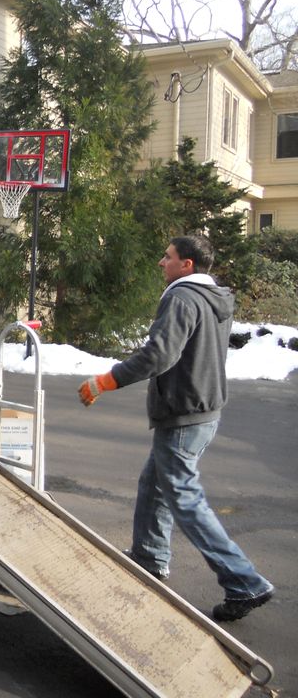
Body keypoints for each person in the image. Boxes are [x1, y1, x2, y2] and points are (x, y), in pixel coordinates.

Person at [78, 235, 274, 622]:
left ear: (186, 265)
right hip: (204, 409)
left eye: (167, 257)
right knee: (155, 484)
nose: (160, 263)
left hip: (185, 412)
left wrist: (106, 380)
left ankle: (244, 580)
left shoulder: (182, 297)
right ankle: (150, 558)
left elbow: (159, 354)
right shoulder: (213, 296)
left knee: (184, 498)